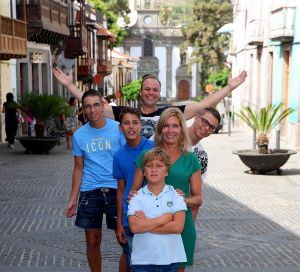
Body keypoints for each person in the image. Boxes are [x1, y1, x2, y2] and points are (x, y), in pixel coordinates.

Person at [52, 68, 247, 138]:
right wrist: (70, 86)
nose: (151, 93)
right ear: (141, 91)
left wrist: (228, 88)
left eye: (155, 89)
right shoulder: (127, 114)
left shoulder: (169, 113)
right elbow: (93, 105)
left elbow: (202, 105)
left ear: (159, 93)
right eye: (147, 89)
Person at [131, 107, 202, 271]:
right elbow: (133, 191)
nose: (171, 130)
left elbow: (198, 198)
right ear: (160, 129)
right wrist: (133, 199)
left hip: (180, 224)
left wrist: (182, 200)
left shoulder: (191, 159)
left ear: (181, 129)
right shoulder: (147, 156)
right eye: (167, 126)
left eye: (175, 126)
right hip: (149, 219)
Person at [65, 89, 126, 272]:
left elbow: (126, 160)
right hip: (90, 192)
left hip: (116, 190)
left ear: (102, 105)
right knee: (92, 241)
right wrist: (72, 199)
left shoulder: (118, 128)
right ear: (83, 110)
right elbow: (78, 168)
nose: (92, 110)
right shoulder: (79, 135)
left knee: (124, 239)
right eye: (88, 107)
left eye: (96, 105)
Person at [128, 148, 187, 272]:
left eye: (159, 166)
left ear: (166, 171)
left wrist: (145, 223)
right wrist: (163, 219)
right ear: (144, 172)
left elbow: (177, 227)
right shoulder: (136, 197)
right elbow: (134, 227)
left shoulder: (176, 196)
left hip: (170, 260)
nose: (154, 169)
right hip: (142, 261)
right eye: (149, 166)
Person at [113, 107, 155, 271]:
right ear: (120, 127)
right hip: (130, 218)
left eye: (135, 123)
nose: (131, 127)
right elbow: (120, 191)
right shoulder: (118, 155)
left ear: (140, 125)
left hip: (152, 216)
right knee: (134, 262)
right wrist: (119, 223)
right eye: (126, 123)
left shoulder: (152, 148)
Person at [188, 107, 221, 219]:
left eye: (212, 127)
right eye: (205, 122)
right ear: (196, 118)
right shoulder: (171, 134)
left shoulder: (201, 156)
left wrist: (191, 227)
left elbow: (196, 195)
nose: (206, 128)